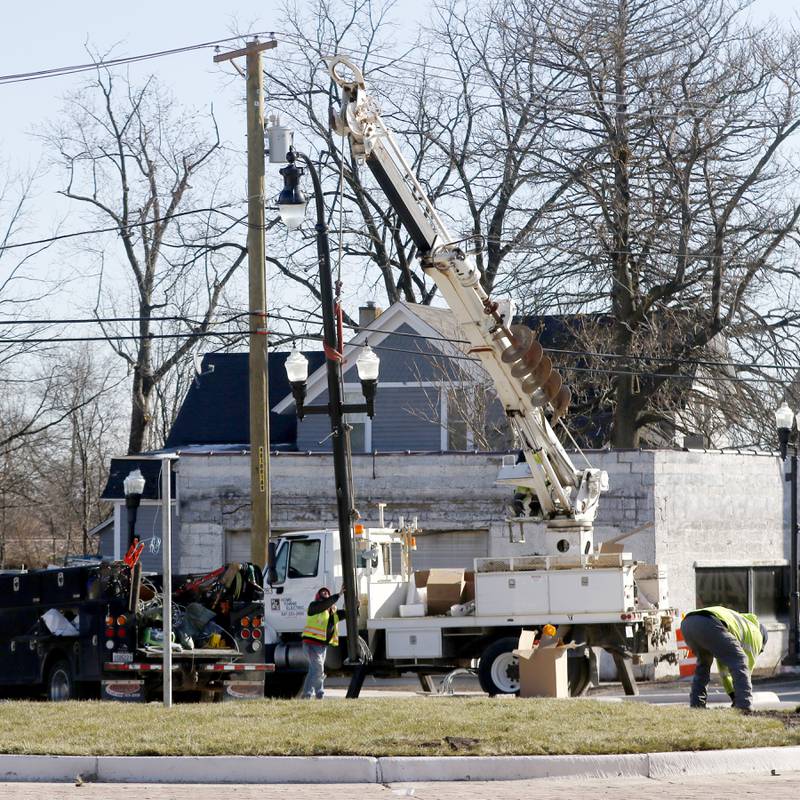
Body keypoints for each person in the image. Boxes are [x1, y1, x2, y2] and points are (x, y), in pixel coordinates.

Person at [680, 605, 768, 712]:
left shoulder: (739, 623)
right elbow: (744, 668)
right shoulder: (756, 635)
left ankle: (697, 705)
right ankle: (744, 706)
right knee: (740, 660)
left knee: (703, 665)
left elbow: (724, 667)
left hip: (688, 623)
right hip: (710, 622)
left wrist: (732, 693)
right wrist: (736, 696)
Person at [301, 586, 345, 699]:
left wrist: (356, 607)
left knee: (314, 670)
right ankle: (319, 694)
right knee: (319, 668)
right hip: (310, 644)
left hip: (321, 647)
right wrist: (338, 595)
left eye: (327, 592)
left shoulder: (332, 612)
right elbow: (324, 605)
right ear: (318, 596)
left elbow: (345, 614)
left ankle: (306, 695)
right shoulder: (314, 606)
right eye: (322, 592)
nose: (325, 592)